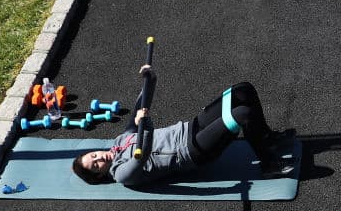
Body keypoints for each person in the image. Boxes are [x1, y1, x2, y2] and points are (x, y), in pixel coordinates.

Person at [71, 67, 295, 186]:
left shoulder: (119, 142)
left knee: (242, 90)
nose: (100, 158)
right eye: (96, 165)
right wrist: (146, 125)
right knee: (242, 114)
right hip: (191, 151)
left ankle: (267, 138)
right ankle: (268, 164)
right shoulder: (122, 174)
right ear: (99, 175)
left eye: (94, 155)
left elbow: (140, 107)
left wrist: (149, 80)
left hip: (190, 128)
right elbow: (141, 156)